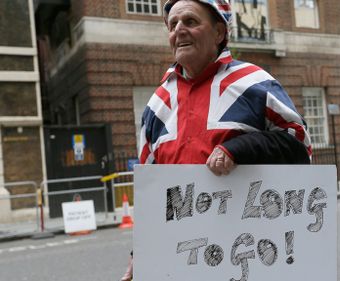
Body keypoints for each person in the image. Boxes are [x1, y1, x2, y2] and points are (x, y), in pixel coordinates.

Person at [120, 0, 311, 279]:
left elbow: (298, 146)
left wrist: (238, 149)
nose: (179, 30)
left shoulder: (254, 83)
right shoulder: (156, 104)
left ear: (219, 32)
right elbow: (152, 192)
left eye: (190, 21)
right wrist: (140, 253)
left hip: (251, 258)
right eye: (173, 25)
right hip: (183, 260)